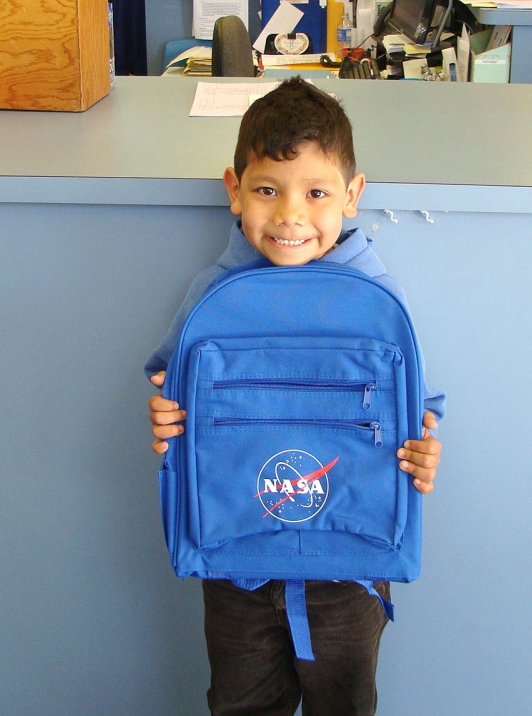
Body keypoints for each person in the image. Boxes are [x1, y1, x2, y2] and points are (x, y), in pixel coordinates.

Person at [146, 78, 445, 716]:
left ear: (352, 195)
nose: (290, 215)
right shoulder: (213, 290)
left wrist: (425, 449)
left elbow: (421, 406)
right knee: (242, 702)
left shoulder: (376, 293)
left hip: (349, 566)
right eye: (266, 190)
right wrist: (166, 415)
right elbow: (167, 381)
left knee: (345, 702)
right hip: (237, 559)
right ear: (235, 189)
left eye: (315, 193)